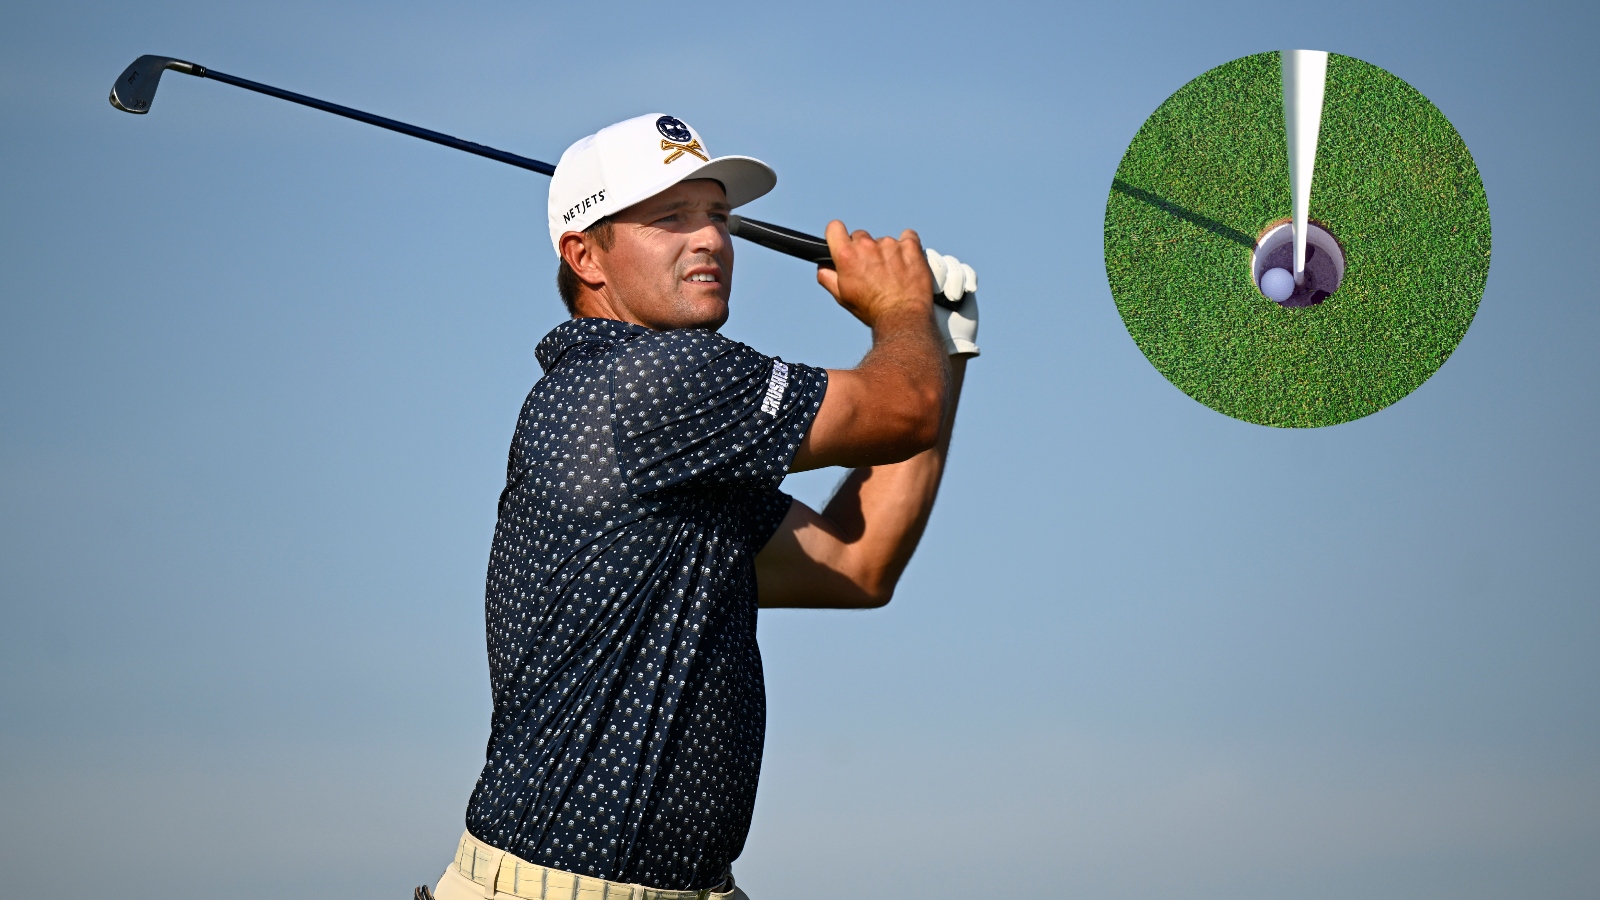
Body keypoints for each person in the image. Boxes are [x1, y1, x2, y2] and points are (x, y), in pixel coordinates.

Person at [425, 113, 979, 900]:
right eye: (670, 217)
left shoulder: (681, 448)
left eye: (718, 215)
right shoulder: (649, 383)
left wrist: (940, 343)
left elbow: (857, 564)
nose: (711, 239)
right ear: (585, 256)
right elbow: (903, 408)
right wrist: (899, 310)